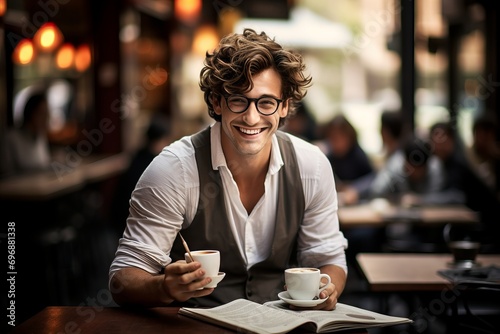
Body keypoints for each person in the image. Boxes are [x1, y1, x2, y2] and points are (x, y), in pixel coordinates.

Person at [109, 29, 348, 311]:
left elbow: (327, 259)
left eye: (266, 102)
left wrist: (327, 289)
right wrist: (163, 287)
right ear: (216, 102)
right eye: (238, 99)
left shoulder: (311, 165)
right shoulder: (174, 170)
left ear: (284, 106)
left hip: (282, 324)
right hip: (195, 325)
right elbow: (122, 279)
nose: (252, 117)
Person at [110, 113, 172, 236]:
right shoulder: (155, 164)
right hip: (139, 225)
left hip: (123, 221)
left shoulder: (137, 158)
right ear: (162, 139)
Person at [315, 114, 374, 205]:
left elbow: (373, 178)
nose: (336, 141)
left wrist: (355, 189)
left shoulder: (357, 155)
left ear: (350, 137)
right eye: (333, 137)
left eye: (340, 137)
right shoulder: (328, 155)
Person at [0, 90, 51, 178]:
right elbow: (6, 174)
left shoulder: (40, 136)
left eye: (47, 114)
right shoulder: (11, 138)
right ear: (30, 113)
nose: (46, 119)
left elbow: (44, 164)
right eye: (42, 113)